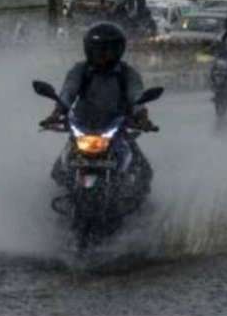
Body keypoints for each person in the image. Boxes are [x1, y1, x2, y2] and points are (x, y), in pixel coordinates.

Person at [40, 22, 155, 194]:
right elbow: (68, 92)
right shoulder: (80, 71)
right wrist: (56, 114)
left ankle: (137, 198)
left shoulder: (127, 74)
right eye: (98, 49)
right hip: (83, 125)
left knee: (143, 171)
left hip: (117, 127)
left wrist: (142, 117)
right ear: (88, 49)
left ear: (118, 50)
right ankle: (63, 199)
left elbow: (137, 96)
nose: (103, 55)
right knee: (58, 172)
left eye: (108, 50)